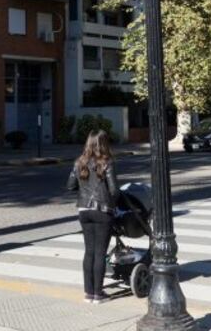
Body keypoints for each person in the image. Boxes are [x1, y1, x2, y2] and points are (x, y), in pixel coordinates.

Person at [66, 130, 118, 304]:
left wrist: (84, 187)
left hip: (83, 211)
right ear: (103, 144)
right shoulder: (107, 163)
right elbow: (114, 191)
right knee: (100, 252)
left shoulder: (79, 162)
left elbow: (70, 186)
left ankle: (88, 293)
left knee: (89, 251)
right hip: (102, 211)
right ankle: (98, 294)